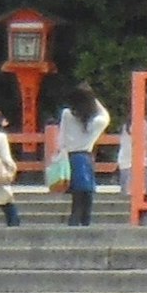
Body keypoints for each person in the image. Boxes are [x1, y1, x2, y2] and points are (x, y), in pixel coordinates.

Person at [47, 83, 110, 227]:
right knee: (86, 196)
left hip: (69, 157)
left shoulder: (66, 114)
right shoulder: (95, 121)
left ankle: (74, 224)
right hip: (85, 158)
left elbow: (61, 137)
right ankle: (84, 224)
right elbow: (106, 116)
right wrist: (93, 99)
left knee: (77, 198)